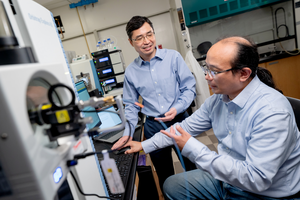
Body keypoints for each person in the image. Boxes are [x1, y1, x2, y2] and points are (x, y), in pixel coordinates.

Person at [124, 36, 300, 199]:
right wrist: (142, 145)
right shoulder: (218, 100)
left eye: (214, 71)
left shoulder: (272, 112)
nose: (207, 77)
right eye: (206, 68)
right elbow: (181, 129)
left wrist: (193, 147)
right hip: (229, 179)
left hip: (265, 193)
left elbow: (256, 179)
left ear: (244, 74)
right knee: (172, 185)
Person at [111, 16, 197, 191]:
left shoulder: (173, 57)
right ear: (131, 42)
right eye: (139, 38)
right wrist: (127, 133)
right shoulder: (131, 72)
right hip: (153, 126)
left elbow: (189, 88)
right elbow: (132, 105)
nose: (146, 41)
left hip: (180, 120)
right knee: (165, 174)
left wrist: (178, 107)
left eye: (149, 34)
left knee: (192, 167)